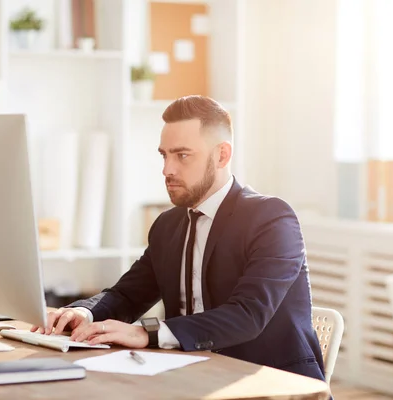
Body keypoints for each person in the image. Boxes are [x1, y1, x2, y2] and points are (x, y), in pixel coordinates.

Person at [31, 95, 327, 383]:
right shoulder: (168, 225)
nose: (167, 169)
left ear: (222, 155)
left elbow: (247, 315)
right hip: (188, 376)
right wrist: (82, 312)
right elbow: (127, 295)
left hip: (270, 382)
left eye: (182, 155)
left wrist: (146, 332)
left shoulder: (271, 218)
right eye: (164, 155)